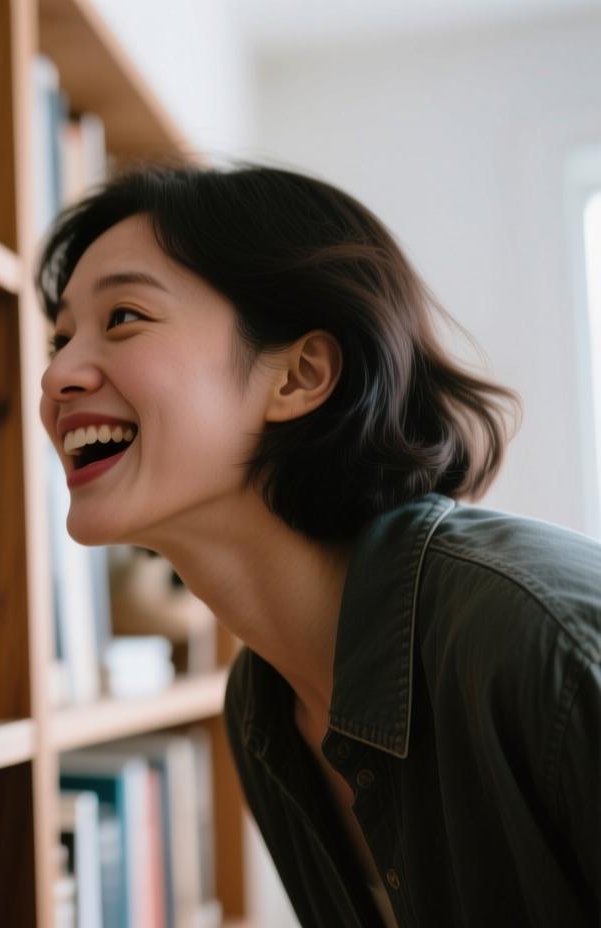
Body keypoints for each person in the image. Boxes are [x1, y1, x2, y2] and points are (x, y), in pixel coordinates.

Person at [36, 163, 600, 926]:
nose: (58, 373)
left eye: (125, 317)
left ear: (300, 376)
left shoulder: (536, 639)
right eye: (61, 336)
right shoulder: (263, 707)